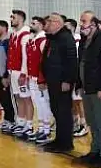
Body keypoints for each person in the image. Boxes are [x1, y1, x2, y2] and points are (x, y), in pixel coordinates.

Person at [76, 11, 101, 167]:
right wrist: (79, 84)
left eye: (84, 21)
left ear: (93, 24)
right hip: (87, 88)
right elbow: (81, 64)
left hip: (98, 89)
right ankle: (95, 150)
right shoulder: (84, 40)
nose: (81, 24)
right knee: (91, 121)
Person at [41, 12, 78, 153]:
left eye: (50, 21)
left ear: (57, 23)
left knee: (63, 112)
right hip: (53, 80)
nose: (47, 24)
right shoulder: (53, 38)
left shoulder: (66, 38)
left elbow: (71, 61)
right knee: (56, 110)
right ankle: (59, 140)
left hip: (62, 82)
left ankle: (66, 143)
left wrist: (67, 80)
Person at [27, 16, 52, 142]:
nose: (31, 25)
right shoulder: (34, 39)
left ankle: (46, 131)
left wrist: (43, 79)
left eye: (34, 23)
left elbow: (45, 61)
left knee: (43, 104)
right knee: (38, 104)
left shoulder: (43, 40)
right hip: (32, 77)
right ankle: (41, 128)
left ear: (41, 25)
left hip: (40, 79)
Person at [8, 10, 33, 136]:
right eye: (11, 17)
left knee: (26, 98)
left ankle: (29, 125)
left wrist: (24, 73)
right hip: (13, 71)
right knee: (18, 97)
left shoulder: (25, 34)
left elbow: (26, 56)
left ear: (21, 19)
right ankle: (21, 121)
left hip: (21, 72)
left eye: (14, 17)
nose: (11, 19)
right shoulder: (14, 34)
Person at [0, 20, 16, 133]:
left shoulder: (8, 42)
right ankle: (7, 119)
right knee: (2, 98)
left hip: (4, 76)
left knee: (7, 98)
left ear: (4, 28)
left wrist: (5, 76)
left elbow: (7, 61)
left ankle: (12, 120)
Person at [66, 18, 88, 138]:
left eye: (67, 26)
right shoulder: (66, 41)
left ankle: (84, 125)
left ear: (73, 28)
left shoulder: (78, 41)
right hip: (69, 75)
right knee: (73, 101)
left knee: (79, 101)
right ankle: (75, 122)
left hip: (77, 76)